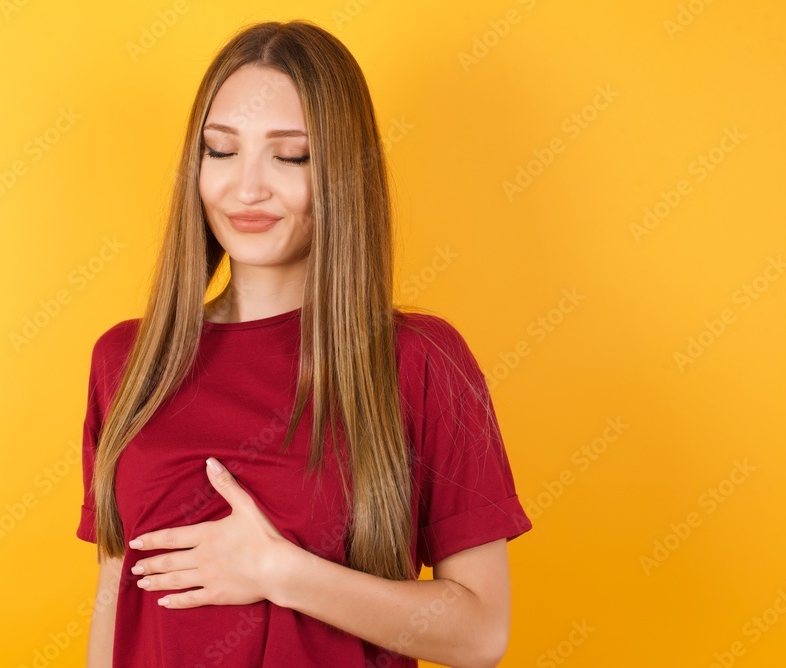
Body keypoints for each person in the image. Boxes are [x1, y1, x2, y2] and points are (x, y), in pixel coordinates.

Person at [76, 19, 532, 668]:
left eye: (290, 156)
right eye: (220, 150)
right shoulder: (126, 361)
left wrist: (280, 573)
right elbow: (115, 593)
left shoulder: (420, 361)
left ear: (342, 173)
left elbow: (480, 633)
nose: (246, 188)